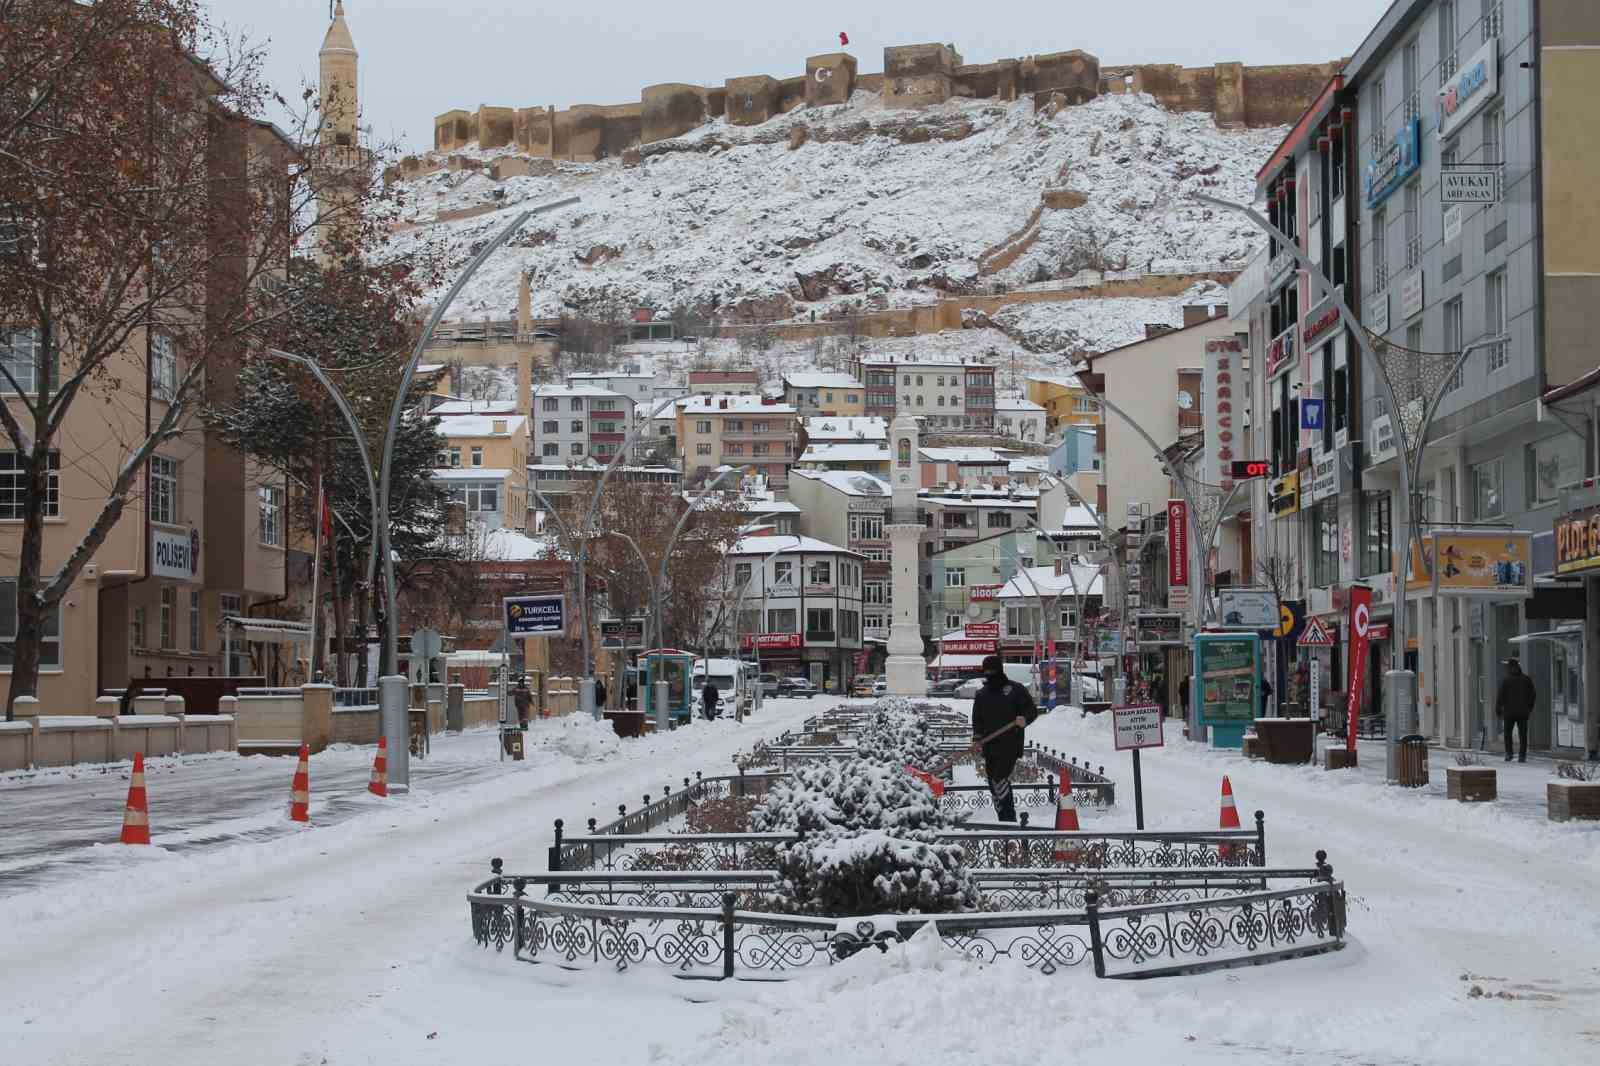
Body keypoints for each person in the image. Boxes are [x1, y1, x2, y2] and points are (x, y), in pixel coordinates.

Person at [971, 654, 1038, 822]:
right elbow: (977, 719)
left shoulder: (1016, 690)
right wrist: (977, 738)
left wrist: (1025, 719)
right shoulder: (982, 694)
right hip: (990, 745)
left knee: (1000, 778)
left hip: (1010, 743)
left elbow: (1031, 710)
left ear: (1000, 670)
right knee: (992, 781)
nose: (990, 674)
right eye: (987, 671)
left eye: (992, 671)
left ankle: (1008, 817)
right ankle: (1002, 813)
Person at [1495, 656, 1536, 763]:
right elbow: (1532, 695)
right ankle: (1522, 755)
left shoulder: (1506, 680)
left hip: (1509, 712)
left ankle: (1509, 753)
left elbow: (1500, 696)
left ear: (1510, 667)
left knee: (1507, 734)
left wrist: (1498, 709)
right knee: (1523, 734)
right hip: (1523, 712)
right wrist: (1529, 708)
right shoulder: (1526, 679)